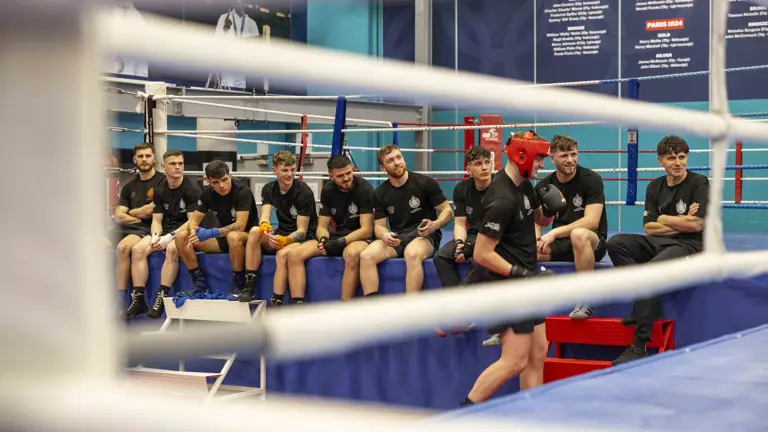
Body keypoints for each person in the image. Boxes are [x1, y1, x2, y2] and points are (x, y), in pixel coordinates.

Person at [461, 131, 566, 406]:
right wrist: (521, 274)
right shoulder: (502, 199)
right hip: (509, 284)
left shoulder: (523, 185)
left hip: (525, 278)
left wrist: (549, 209)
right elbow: (482, 253)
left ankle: (530, 414)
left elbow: (537, 219)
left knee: (538, 352)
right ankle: (464, 412)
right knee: (514, 361)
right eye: (539, 159)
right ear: (522, 156)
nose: (542, 165)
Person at [607, 135, 708, 365]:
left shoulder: (699, 183)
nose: (678, 162)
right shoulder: (655, 186)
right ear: (660, 160)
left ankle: (639, 345)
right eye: (672, 158)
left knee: (650, 271)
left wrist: (664, 219)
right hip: (661, 242)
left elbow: (696, 225)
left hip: (691, 245)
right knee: (616, 243)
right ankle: (645, 302)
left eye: (682, 157)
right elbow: (649, 229)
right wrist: (680, 221)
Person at [359, 145, 453, 296]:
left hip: (425, 234)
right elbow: (379, 226)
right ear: (383, 167)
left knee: (412, 253)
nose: (397, 162)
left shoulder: (424, 182)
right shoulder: (380, 193)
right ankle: (372, 306)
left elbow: (447, 211)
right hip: (399, 236)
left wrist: (435, 225)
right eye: (390, 160)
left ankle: (411, 306)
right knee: (366, 256)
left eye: (399, 157)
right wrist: (384, 235)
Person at [281, 155, 375, 301]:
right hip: (337, 236)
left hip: (359, 237)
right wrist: (324, 239)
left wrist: (341, 242)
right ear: (331, 177)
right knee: (294, 255)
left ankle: (345, 305)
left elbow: (367, 229)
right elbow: (322, 226)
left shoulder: (365, 189)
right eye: (340, 176)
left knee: (352, 254)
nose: (346, 178)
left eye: (348, 173)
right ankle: (297, 304)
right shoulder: (328, 190)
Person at [535, 135, 609, 320]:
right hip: (561, 244)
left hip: (591, 242)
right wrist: (537, 240)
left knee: (579, 234)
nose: (570, 160)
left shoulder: (591, 179)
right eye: (564, 156)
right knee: (522, 251)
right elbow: (537, 220)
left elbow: (592, 221)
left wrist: (554, 233)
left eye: (573, 154)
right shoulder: (544, 186)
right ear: (552, 158)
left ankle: (586, 297)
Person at [122, 150, 201, 319]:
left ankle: (161, 297)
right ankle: (139, 299)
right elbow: (156, 220)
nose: (177, 167)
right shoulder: (159, 190)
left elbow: (191, 222)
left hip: (185, 232)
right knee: (137, 249)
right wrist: (156, 236)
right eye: (173, 164)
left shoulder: (192, 189)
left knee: (172, 249)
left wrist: (169, 237)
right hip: (166, 230)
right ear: (164, 167)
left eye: (180, 164)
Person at [235, 151, 318, 304]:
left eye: (292, 170)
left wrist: (286, 240)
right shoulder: (269, 189)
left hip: (303, 238)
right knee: (254, 232)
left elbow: (302, 231)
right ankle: (248, 287)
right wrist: (264, 225)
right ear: (274, 171)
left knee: (282, 255)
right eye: (285, 170)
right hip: (282, 232)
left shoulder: (303, 192)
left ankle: (277, 301)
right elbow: (265, 216)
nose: (290, 174)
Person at [432, 146, 492, 336]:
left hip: (495, 236)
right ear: (469, 170)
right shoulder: (462, 189)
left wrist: (469, 248)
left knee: (480, 259)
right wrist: (460, 243)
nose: (484, 167)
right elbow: (459, 223)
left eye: (487, 162)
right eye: (478, 164)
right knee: (441, 256)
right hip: (474, 235)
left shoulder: (500, 187)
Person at [175, 160, 258, 297]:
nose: (221, 186)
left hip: (247, 238)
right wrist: (193, 232)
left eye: (224, 180)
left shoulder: (243, 191)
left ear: (230, 176)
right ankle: (199, 284)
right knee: (181, 237)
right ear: (209, 182)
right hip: (223, 238)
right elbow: (194, 221)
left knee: (233, 236)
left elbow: (240, 225)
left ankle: (238, 283)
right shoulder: (207, 193)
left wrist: (211, 233)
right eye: (215, 182)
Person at [112, 143, 165, 303]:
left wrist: (130, 212)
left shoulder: (162, 182)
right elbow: (118, 216)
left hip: (147, 229)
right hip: (126, 228)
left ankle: (121, 299)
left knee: (122, 248)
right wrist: (137, 215)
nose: (144, 159)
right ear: (134, 159)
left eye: (148, 156)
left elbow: (151, 210)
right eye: (140, 156)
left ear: (154, 158)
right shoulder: (129, 187)